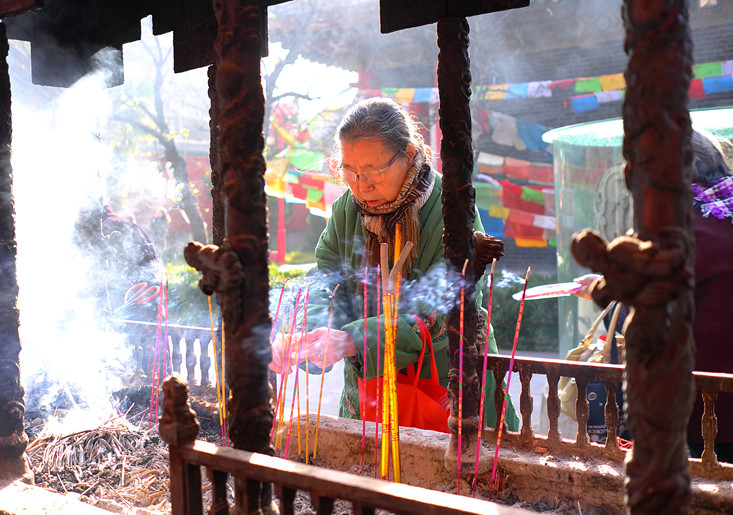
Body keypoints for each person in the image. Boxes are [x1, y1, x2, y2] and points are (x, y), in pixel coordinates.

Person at [269, 97, 519, 431]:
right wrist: (308, 335)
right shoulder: (347, 208)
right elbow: (327, 281)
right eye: (350, 172)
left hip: (450, 389)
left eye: (373, 172)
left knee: (454, 478)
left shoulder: (453, 207)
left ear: (410, 154)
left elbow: (441, 310)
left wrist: (354, 340)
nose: (361, 186)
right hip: (369, 391)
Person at [572, 130, 733, 462]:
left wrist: (599, 288)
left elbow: (642, 296)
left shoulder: (673, 225)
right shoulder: (720, 209)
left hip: (701, 405)